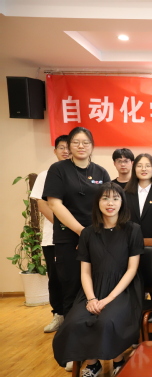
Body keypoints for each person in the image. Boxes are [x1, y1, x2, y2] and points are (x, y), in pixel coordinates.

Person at [52, 182, 144, 377]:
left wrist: (108, 299)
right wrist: (92, 298)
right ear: (97, 203)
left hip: (123, 290)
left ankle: (118, 360)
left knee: (107, 320)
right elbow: (85, 272)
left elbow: (132, 270)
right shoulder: (88, 233)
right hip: (93, 289)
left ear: (122, 202)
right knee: (74, 322)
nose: (110, 203)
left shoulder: (133, 230)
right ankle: (92, 364)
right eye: (105, 198)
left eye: (115, 198)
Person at [43, 127, 111, 320]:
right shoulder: (58, 169)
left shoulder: (101, 172)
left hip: (97, 237)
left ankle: (96, 328)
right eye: (76, 142)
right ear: (69, 146)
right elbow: (54, 204)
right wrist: (81, 231)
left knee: (98, 285)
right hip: (68, 236)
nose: (81, 146)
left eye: (86, 142)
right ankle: (71, 329)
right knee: (71, 284)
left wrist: (94, 234)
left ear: (92, 146)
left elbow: (109, 205)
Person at [30, 135, 70, 333]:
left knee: (77, 276)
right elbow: (42, 204)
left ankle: (75, 315)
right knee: (56, 277)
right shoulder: (46, 175)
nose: (65, 151)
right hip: (53, 237)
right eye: (61, 147)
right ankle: (58, 314)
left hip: (77, 235)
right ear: (55, 151)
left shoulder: (79, 174)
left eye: (68, 147)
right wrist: (64, 225)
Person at [124, 153, 152, 239]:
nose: (143, 169)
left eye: (148, 166)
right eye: (139, 166)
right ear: (134, 169)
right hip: (129, 241)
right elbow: (123, 219)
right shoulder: (126, 193)